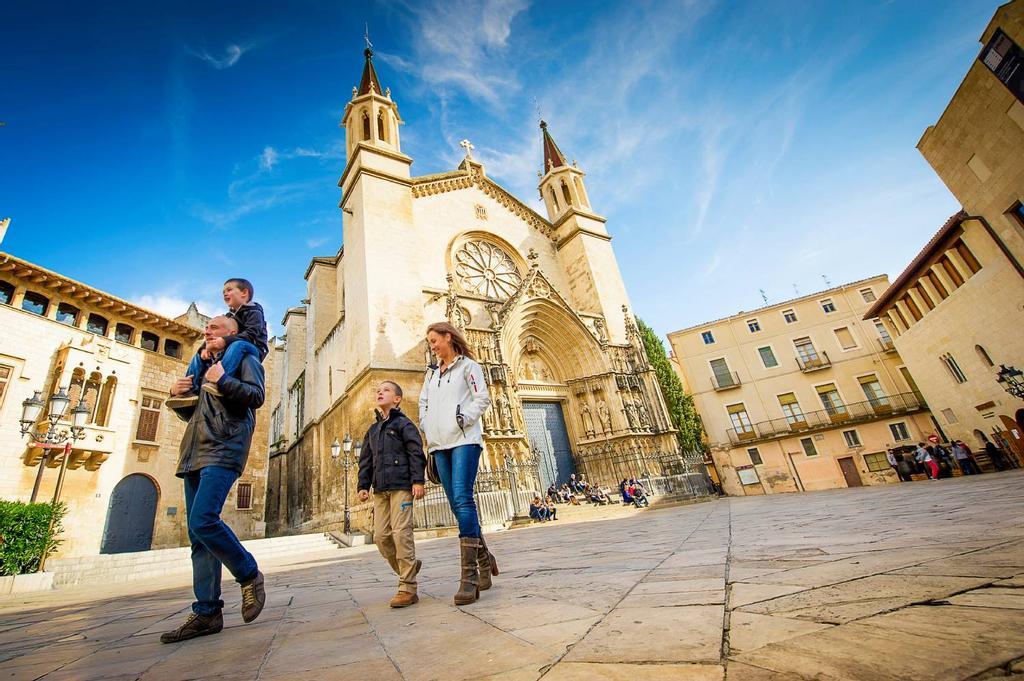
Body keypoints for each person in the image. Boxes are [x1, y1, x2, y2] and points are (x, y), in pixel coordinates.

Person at [161, 315, 266, 644]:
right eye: (206, 328)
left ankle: (248, 573)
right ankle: (207, 612)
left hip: (223, 448)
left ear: (231, 333)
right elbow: (196, 412)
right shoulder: (204, 366)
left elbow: (255, 396)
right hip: (194, 451)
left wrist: (223, 381)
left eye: (215, 328)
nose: (207, 331)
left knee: (204, 520)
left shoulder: (245, 358)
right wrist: (179, 394)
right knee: (197, 535)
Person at [419, 321, 495, 606]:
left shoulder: (468, 367)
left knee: (463, 500)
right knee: (456, 505)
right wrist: (428, 426)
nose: (432, 346)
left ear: (448, 337)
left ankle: (469, 578)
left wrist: (462, 418)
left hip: (464, 441)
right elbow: (423, 404)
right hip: (439, 444)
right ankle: (485, 559)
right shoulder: (431, 374)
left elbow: (482, 398)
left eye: (434, 340)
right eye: (429, 342)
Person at [357, 380, 426, 608]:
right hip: (381, 490)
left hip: (401, 487)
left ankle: (407, 586)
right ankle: (408, 569)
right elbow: (365, 461)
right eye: (378, 390)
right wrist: (362, 486)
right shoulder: (373, 430)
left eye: (386, 390)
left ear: (397, 399)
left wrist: (418, 480)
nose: (380, 392)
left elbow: (416, 452)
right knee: (380, 536)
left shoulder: (404, 424)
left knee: (401, 533)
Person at [166, 278, 269, 409]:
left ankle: (218, 381)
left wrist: (225, 341)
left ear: (244, 293)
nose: (225, 294)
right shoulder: (230, 316)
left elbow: (251, 334)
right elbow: (217, 336)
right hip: (235, 346)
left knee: (238, 345)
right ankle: (188, 390)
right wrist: (204, 349)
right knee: (199, 355)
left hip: (253, 347)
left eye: (229, 290)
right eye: (223, 291)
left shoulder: (254, 310)